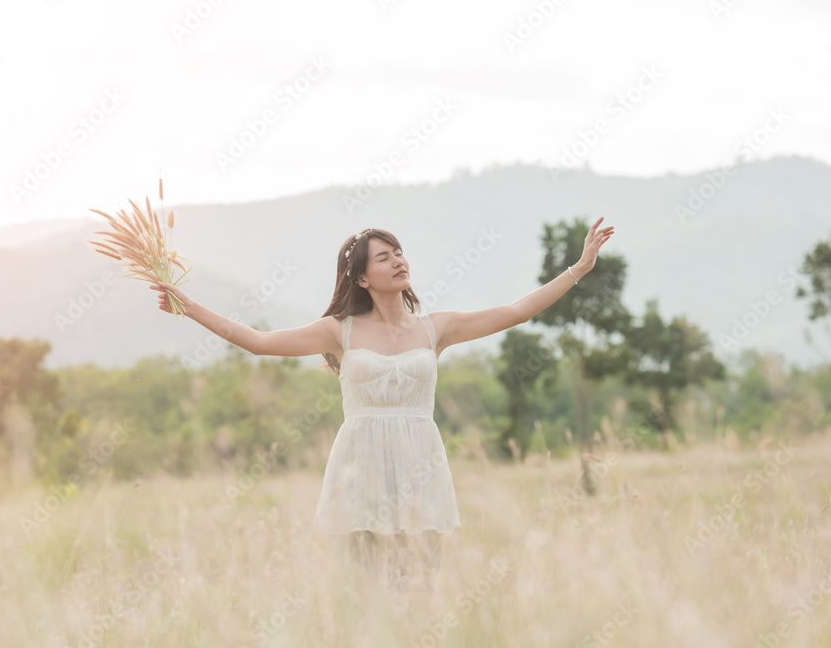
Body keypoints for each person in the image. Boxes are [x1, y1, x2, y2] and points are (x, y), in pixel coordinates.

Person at [150, 219, 614, 597]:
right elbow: (255, 341)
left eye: (399, 252)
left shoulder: (437, 328)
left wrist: (579, 267)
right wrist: (188, 307)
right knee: (367, 589)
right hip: (360, 467)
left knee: (421, 586)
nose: (398, 261)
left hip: (420, 466)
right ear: (361, 278)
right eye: (384, 257)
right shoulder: (339, 330)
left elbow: (518, 311)